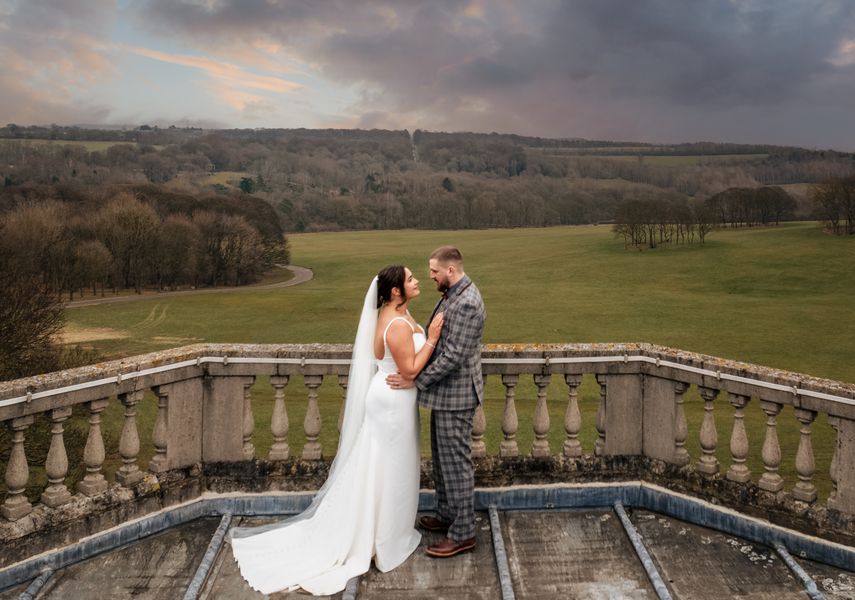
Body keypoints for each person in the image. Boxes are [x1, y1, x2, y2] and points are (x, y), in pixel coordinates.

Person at [230, 265, 444, 596]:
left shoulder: (392, 312)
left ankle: (381, 529)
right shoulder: (398, 324)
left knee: (380, 466)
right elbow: (411, 368)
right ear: (396, 291)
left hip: (389, 400)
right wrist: (431, 338)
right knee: (390, 469)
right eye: (411, 278)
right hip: (392, 404)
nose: (417, 281)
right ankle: (385, 538)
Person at [387, 246, 486, 558]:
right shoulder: (455, 293)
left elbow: (454, 356)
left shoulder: (468, 302)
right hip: (446, 395)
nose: (430, 276)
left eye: (433, 272)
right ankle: (446, 515)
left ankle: (463, 533)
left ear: (450, 271)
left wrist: (417, 379)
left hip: (457, 396)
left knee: (456, 465)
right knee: (443, 462)